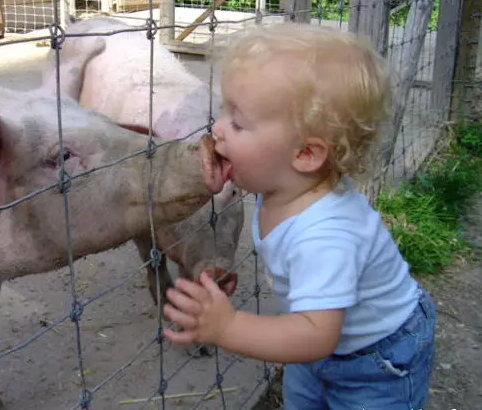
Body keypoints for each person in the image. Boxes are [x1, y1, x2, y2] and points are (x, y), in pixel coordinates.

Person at [162, 22, 436, 410]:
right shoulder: (281, 184)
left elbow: (314, 336)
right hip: (320, 339)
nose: (217, 129)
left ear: (305, 154)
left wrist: (229, 327)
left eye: (237, 122)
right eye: (223, 111)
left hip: (378, 360)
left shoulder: (326, 236)